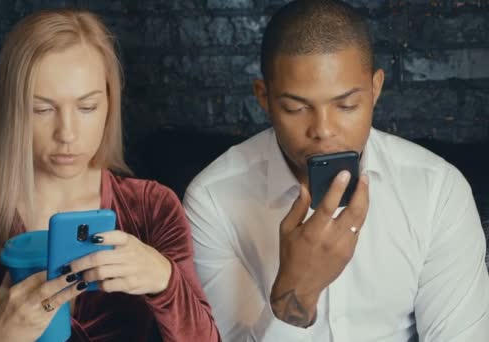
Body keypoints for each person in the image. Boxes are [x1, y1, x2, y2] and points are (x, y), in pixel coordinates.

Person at [183, 0, 489, 341]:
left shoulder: (437, 192)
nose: (323, 130)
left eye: (346, 106)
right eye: (296, 108)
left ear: (375, 90)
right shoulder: (213, 199)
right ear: (264, 98)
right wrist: (294, 297)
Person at [0, 9, 220, 342]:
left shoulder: (152, 207)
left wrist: (166, 281)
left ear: (110, 105)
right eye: (42, 109)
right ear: (12, 111)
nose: (67, 133)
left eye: (87, 107)